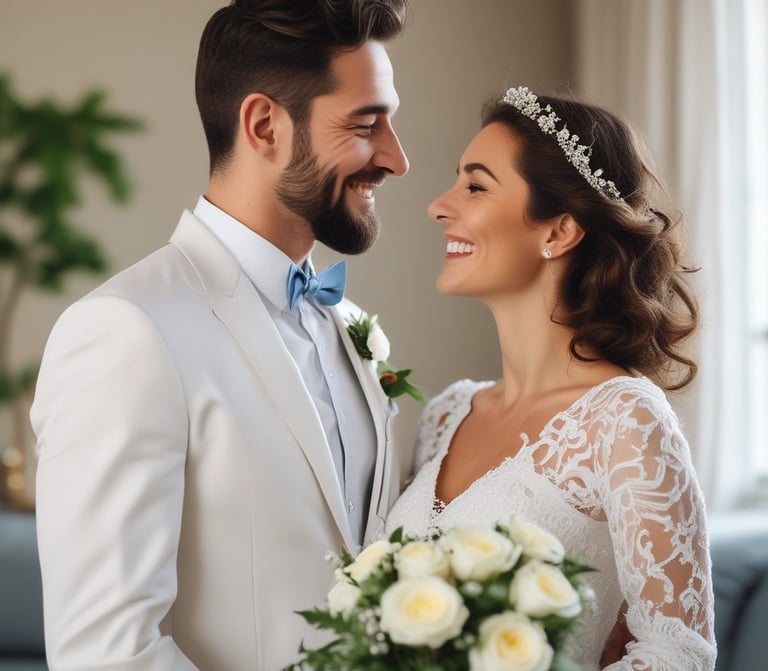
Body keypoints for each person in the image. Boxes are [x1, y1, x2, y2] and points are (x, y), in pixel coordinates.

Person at [30, 1, 410, 669]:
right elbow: (105, 653)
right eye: (365, 124)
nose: (396, 158)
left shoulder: (349, 327)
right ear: (266, 125)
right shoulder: (124, 332)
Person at [385, 86, 716, 670]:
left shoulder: (625, 421)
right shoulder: (446, 414)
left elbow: (679, 653)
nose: (439, 205)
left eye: (476, 185)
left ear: (558, 232)